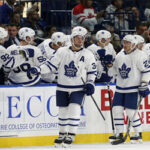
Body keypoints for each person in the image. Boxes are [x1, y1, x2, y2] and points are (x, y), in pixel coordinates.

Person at [27, 28, 97, 147]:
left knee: (74, 110)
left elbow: (92, 70)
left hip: (78, 87)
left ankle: (71, 135)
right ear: (72, 39)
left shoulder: (88, 54)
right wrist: (38, 70)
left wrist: (90, 82)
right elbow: (50, 66)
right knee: (63, 111)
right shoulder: (61, 51)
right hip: (62, 86)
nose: (80, 40)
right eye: (77, 38)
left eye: (82, 38)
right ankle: (62, 134)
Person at [109, 35, 150, 143]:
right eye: (125, 42)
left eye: (128, 43)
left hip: (133, 88)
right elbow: (113, 72)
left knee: (131, 111)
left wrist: (144, 83)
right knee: (116, 110)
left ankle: (138, 132)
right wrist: (109, 66)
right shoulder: (119, 55)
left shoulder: (141, 55)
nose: (125, 45)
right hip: (120, 88)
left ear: (133, 45)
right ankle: (119, 132)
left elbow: (146, 71)